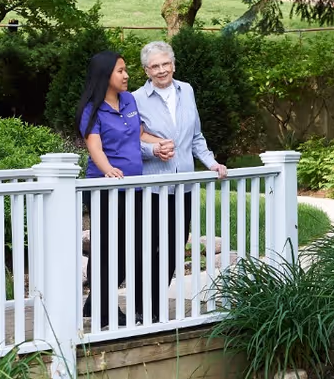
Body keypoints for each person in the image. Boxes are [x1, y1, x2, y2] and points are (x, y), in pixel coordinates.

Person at [133, 41, 227, 320]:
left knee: (175, 247)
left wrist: (211, 162)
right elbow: (130, 141)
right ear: (146, 70)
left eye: (166, 64)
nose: (162, 70)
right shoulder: (136, 98)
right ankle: (142, 306)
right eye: (155, 66)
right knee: (148, 248)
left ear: (173, 64)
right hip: (152, 187)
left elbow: (195, 137)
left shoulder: (186, 90)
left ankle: (155, 300)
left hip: (183, 185)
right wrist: (153, 149)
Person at [77, 50, 171, 328]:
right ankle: (106, 306)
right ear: (106, 76)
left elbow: (139, 133)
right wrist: (108, 170)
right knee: (109, 249)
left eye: (126, 70)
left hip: (133, 189)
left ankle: (96, 302)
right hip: (105, 190)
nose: (127, 75)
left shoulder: (128, 100)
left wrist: (161, 142)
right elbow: (94, 146)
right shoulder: (91, 109)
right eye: (120, 71)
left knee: (129, 248)